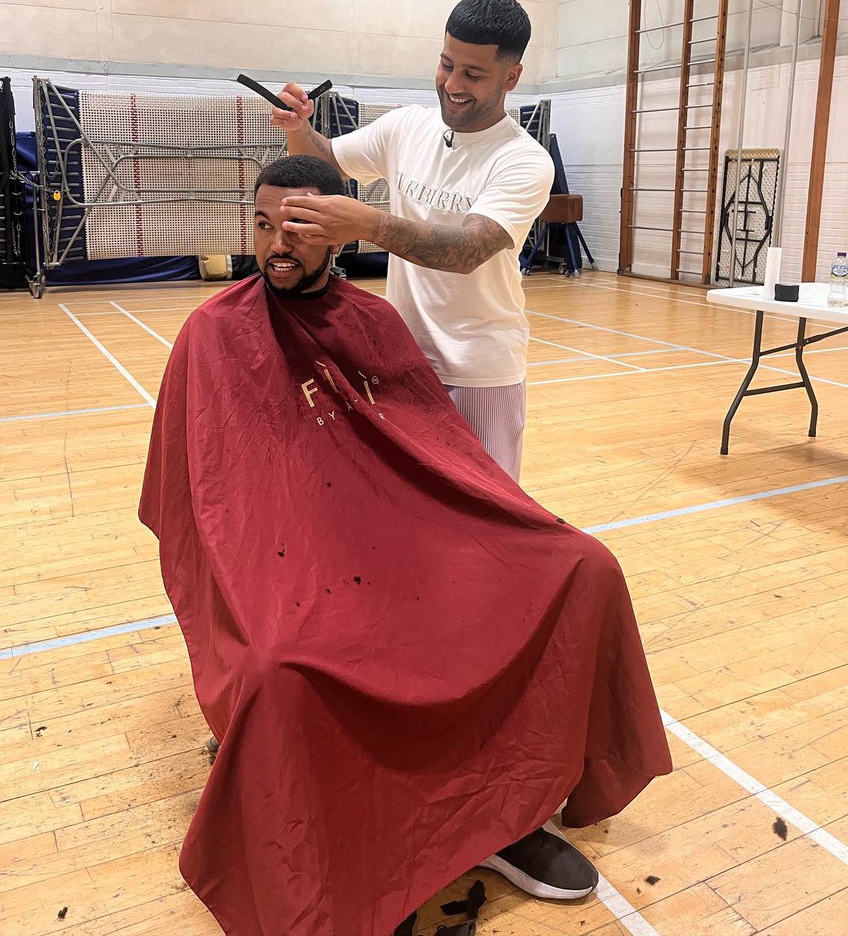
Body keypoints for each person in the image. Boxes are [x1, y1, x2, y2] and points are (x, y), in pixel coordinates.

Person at [140, 156, 672, 936]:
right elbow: (196, 496)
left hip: (395, 540)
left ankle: (507, 810)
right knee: (280, 666)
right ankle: (351, 852)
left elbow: (432, 448)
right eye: (263, 225)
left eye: (299, 226)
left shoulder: (374, 323)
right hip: (286, 558)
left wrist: (488, 529)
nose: (278, 244)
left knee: (583, 566)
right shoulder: (211, 334)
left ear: (339, 233)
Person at [270, 0, 554, 484]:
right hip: (399, 364)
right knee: (409, 515)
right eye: (447, 64)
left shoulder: (524, 160)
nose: (453, 83)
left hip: (477, 371)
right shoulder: (407, 127)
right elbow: (325, 159)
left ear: (512, 77)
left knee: (483, 520)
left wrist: (365, 222)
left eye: (473, 73)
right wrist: (298, 126)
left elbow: (467, 250)